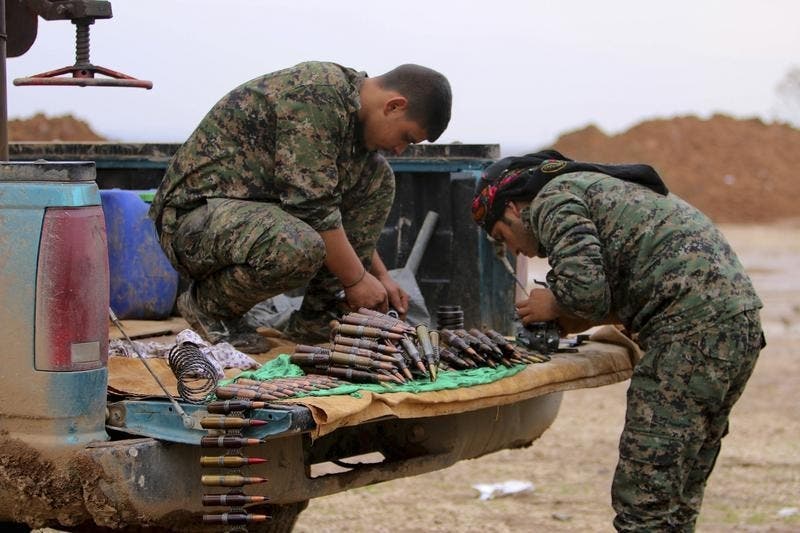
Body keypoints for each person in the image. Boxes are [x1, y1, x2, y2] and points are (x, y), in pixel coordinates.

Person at [471, 150, 765, 532]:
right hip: (736, 324)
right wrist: (574, 315)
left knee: (645, 493)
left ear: (511, 209)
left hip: (690, 333)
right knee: (680, 486)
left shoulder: (551, 201)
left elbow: (586, 291)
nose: (515, 249)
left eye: (502, 236)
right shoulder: (591, 190)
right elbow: (628, 282)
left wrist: (551, 302)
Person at [149, 62, 452, 352]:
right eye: (406, 138)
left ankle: (317, 321)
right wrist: (357, 280)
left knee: (378, 179)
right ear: (393, 106)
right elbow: (313, 208)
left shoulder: (354, 133)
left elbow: (336, 214)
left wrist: (382, 277)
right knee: (299, 246)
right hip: (193, 221)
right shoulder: (318, 93)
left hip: (251, 223)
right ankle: (207, 307)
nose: (400, 149)